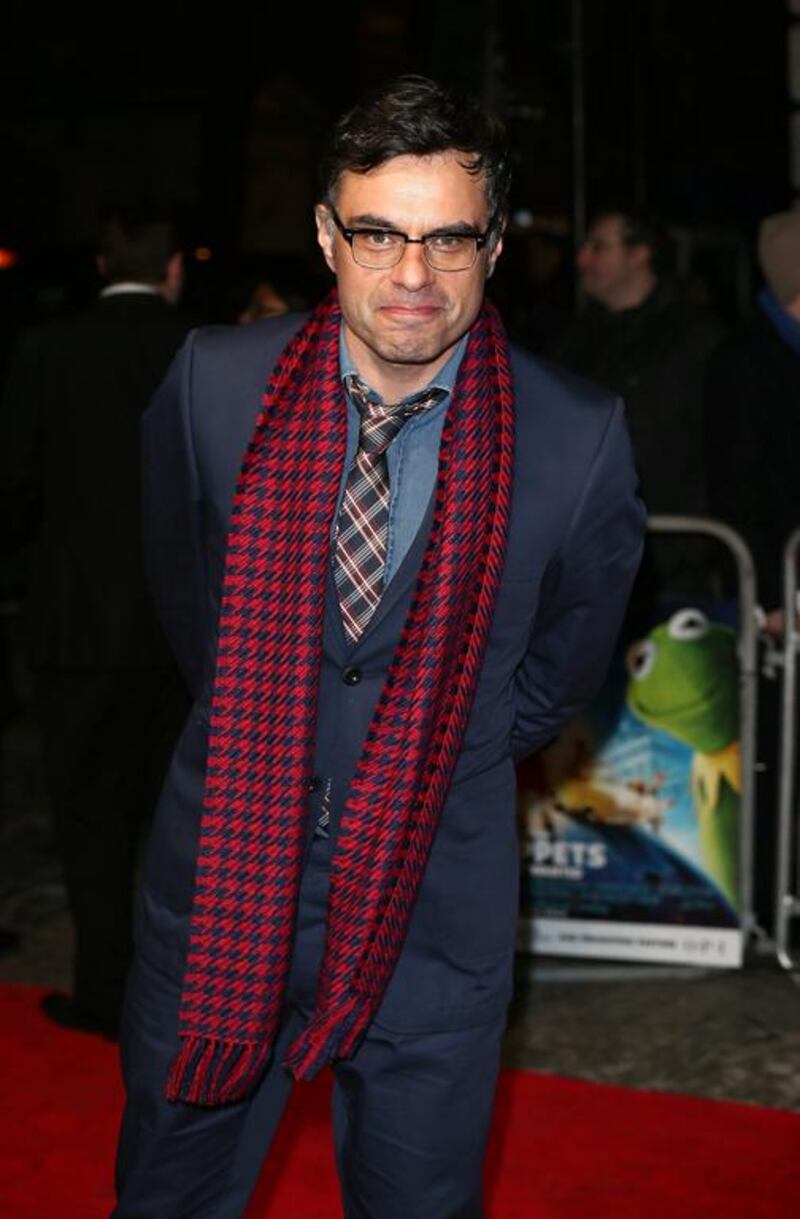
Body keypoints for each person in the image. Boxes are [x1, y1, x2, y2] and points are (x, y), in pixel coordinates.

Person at [114, 77, 645, 1219]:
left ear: (493, 246)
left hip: (431, 920)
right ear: (325, 234)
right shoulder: (213, 382)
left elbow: (568, 661)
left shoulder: (575, 437)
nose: (412, 276)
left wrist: (442, 748)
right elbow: (180, 600)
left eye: (448, 238)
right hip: (218, 897)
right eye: (378, 234)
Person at [0, 209, 194, 1036]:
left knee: (88, 812)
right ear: (174, 269)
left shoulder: (48, 350)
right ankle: (186, 990)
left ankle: (105, 990)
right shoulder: (205, 347)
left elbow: (11, 490)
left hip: (78, 625)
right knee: (180, 817)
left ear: (101, 262)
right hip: (186, 627)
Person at [705, 211, 800, 933]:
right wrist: (768, 591)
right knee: (776, 751)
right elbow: (743, 485)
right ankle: (773, 901)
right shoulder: (751, 360)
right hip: (776, 593)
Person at [554, 207, 725, 519]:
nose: (583, 261)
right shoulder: (576, 338)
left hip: (673, 532)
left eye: (599, 247)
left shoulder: (693, 337)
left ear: (639, 253)